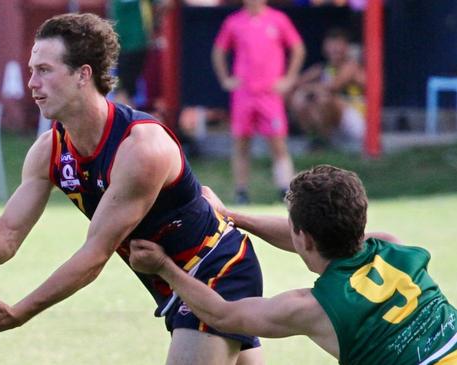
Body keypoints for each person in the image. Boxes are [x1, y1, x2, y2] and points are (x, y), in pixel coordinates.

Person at [0, 13, 265, 365]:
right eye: (31, 70)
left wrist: (21, 312)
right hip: (172, 283)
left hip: (218, 268)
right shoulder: (49, 151)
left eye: (44, 70)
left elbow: (94, 257)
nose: (32, 83)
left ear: (83, 74)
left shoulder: (140, 148)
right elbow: (4, 241)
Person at [129, 165, 457, 364]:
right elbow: (314, 237)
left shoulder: (312, 308)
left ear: (306, 239)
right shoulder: (391, 245)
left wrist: (163, 267)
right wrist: (231, 218)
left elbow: (221, 315)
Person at [212, 0, 305, 204]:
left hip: (269, 93)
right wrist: (226, 79)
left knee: (278, 142)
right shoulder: (234, 22)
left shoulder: (278, 19)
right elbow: (218, 51)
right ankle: (241, 191)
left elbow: (298, 48)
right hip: (244, 93)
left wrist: (288, 80)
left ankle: (285, 189)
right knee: (241, 142)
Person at [289, 28, 365, 150]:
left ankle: (324, 140)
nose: (334, 49)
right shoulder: (322, 68)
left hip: (357, 122)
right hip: (336, 125)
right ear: (325, 47)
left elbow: (332, 86)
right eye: (331, 45)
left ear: (346, 47)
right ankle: (316, 139)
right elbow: (294, 83)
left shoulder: (351, 66)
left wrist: (308, 89)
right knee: (299, 98)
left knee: (325, 98)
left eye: (338, 45)